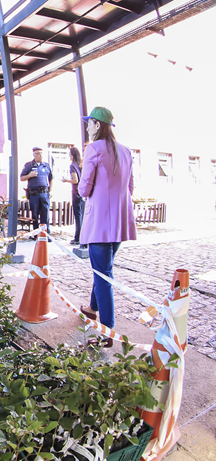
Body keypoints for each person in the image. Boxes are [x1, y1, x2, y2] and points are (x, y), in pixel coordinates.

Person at [77, 107, 136, 347]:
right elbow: (131, 187)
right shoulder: (126, 151)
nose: (87, 127)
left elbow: (83, 188)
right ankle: (92, 307)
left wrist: (87, 194)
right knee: (103, 269)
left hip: (99, 221)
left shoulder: (93, 148)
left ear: (97, 125)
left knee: (104, 275)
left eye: (89, 123)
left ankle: (107, 330)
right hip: (120, 223)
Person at [20, 146, 53, 236]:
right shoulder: (29, 165)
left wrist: (50, 191)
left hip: (44, 193)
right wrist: (30, 175)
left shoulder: (46, 165)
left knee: (45, 214)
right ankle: (36, 234)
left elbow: (51, 179)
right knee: (35, 215)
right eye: (38, 153)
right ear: (34, 155)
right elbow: (22, 178)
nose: (40, 155)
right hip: (34, 193)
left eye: (41, 153)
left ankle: (46, 234)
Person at [61, 146, 83, 245]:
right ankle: (82, 237)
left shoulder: (73, 165)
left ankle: (78, 238)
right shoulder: (81, 164)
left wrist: (66, 180)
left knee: (78, 217)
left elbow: (75, 180)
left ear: (72, 155)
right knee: (82, 216)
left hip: (76, 192)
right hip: (83, 192)